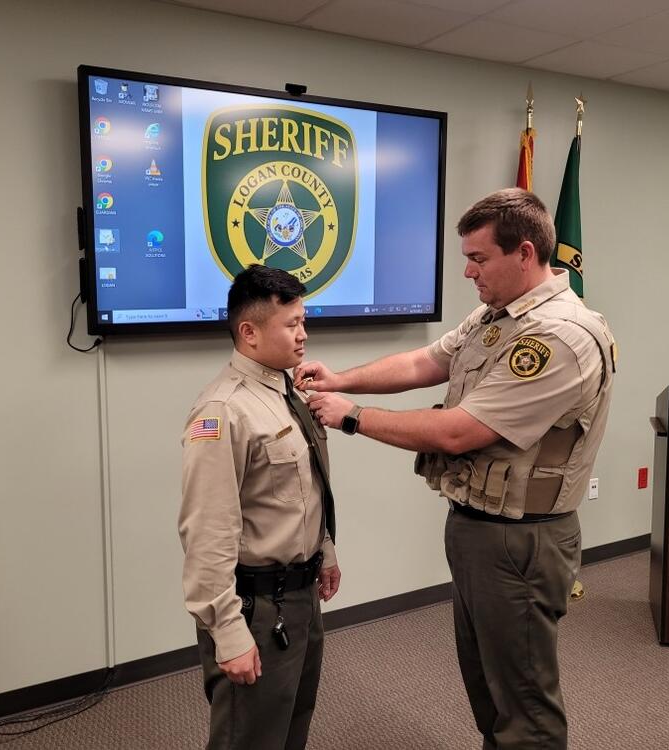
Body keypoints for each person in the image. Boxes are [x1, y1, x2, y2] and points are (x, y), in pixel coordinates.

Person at [299, 188, 615, 750]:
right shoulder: (497, 316)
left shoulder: (559, 336)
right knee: (487, 686)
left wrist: (352, 418)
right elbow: (425, 361)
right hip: (478, 526)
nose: (467, 271)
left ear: (524, 253)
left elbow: (459, 430)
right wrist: (339, 379)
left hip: (521, 542)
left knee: (523, 702)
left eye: (478, 258)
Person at [179, 265, 342, 750]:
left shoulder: (285, 391)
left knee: (291, 728)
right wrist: (227, 631)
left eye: (303, 321)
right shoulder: (222, 411)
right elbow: (206, 532)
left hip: (300, 595)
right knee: (249, 739)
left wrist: (325, 551)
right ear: (248, 332)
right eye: (291, 324)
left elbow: (306, 486)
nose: (303, 335)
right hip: (255, 607)